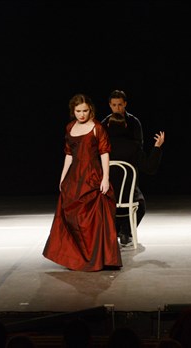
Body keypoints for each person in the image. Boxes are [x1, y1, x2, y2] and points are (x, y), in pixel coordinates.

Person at [43, 94, 122, 271]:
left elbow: (104, 153)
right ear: (73, 111)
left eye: (85, 110)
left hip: (92, 175)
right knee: (71, 216)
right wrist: (62, 177)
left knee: (93, 218)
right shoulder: (70, 127)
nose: (82, 114)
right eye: (78, 111)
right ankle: (76, 257)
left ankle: (95, 258)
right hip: (74, 177)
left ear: (90, 110)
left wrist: (105, 178)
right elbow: (69, 154)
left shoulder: (97, 128)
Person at [102, 111, 165, 247]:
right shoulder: (133, 146)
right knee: (140, 204)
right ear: (125, 126)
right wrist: (157, 147)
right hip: (127, 196)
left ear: (107, 126)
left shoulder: (102, 147)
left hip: (106, 195)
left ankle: (111, 231)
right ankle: (126, 231)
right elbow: (149, 168)